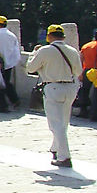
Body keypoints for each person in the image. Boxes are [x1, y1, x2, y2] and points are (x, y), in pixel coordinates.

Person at [26, 24, 82, 167]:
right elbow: (78, 71)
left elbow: (30, 68)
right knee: (63, 121)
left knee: (55, 124)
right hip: (69, 87)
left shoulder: (45, 51)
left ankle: (64, 156)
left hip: (53, 87)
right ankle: (56, 148)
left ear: (49, 36)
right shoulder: (72, 51)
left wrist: (33, 54)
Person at [77, 29, 97, 121]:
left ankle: (83, 111)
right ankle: (95, 115)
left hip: (86, 70)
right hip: (96, 71)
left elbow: (81, 59)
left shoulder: (86, 45)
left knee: (84, 91)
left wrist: (81, 72)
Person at [0, 16, 22, 108]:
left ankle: (8, 101)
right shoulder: (12, 35)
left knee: (0, 83)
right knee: (6, 81)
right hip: (9, 62)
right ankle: (13, 99)